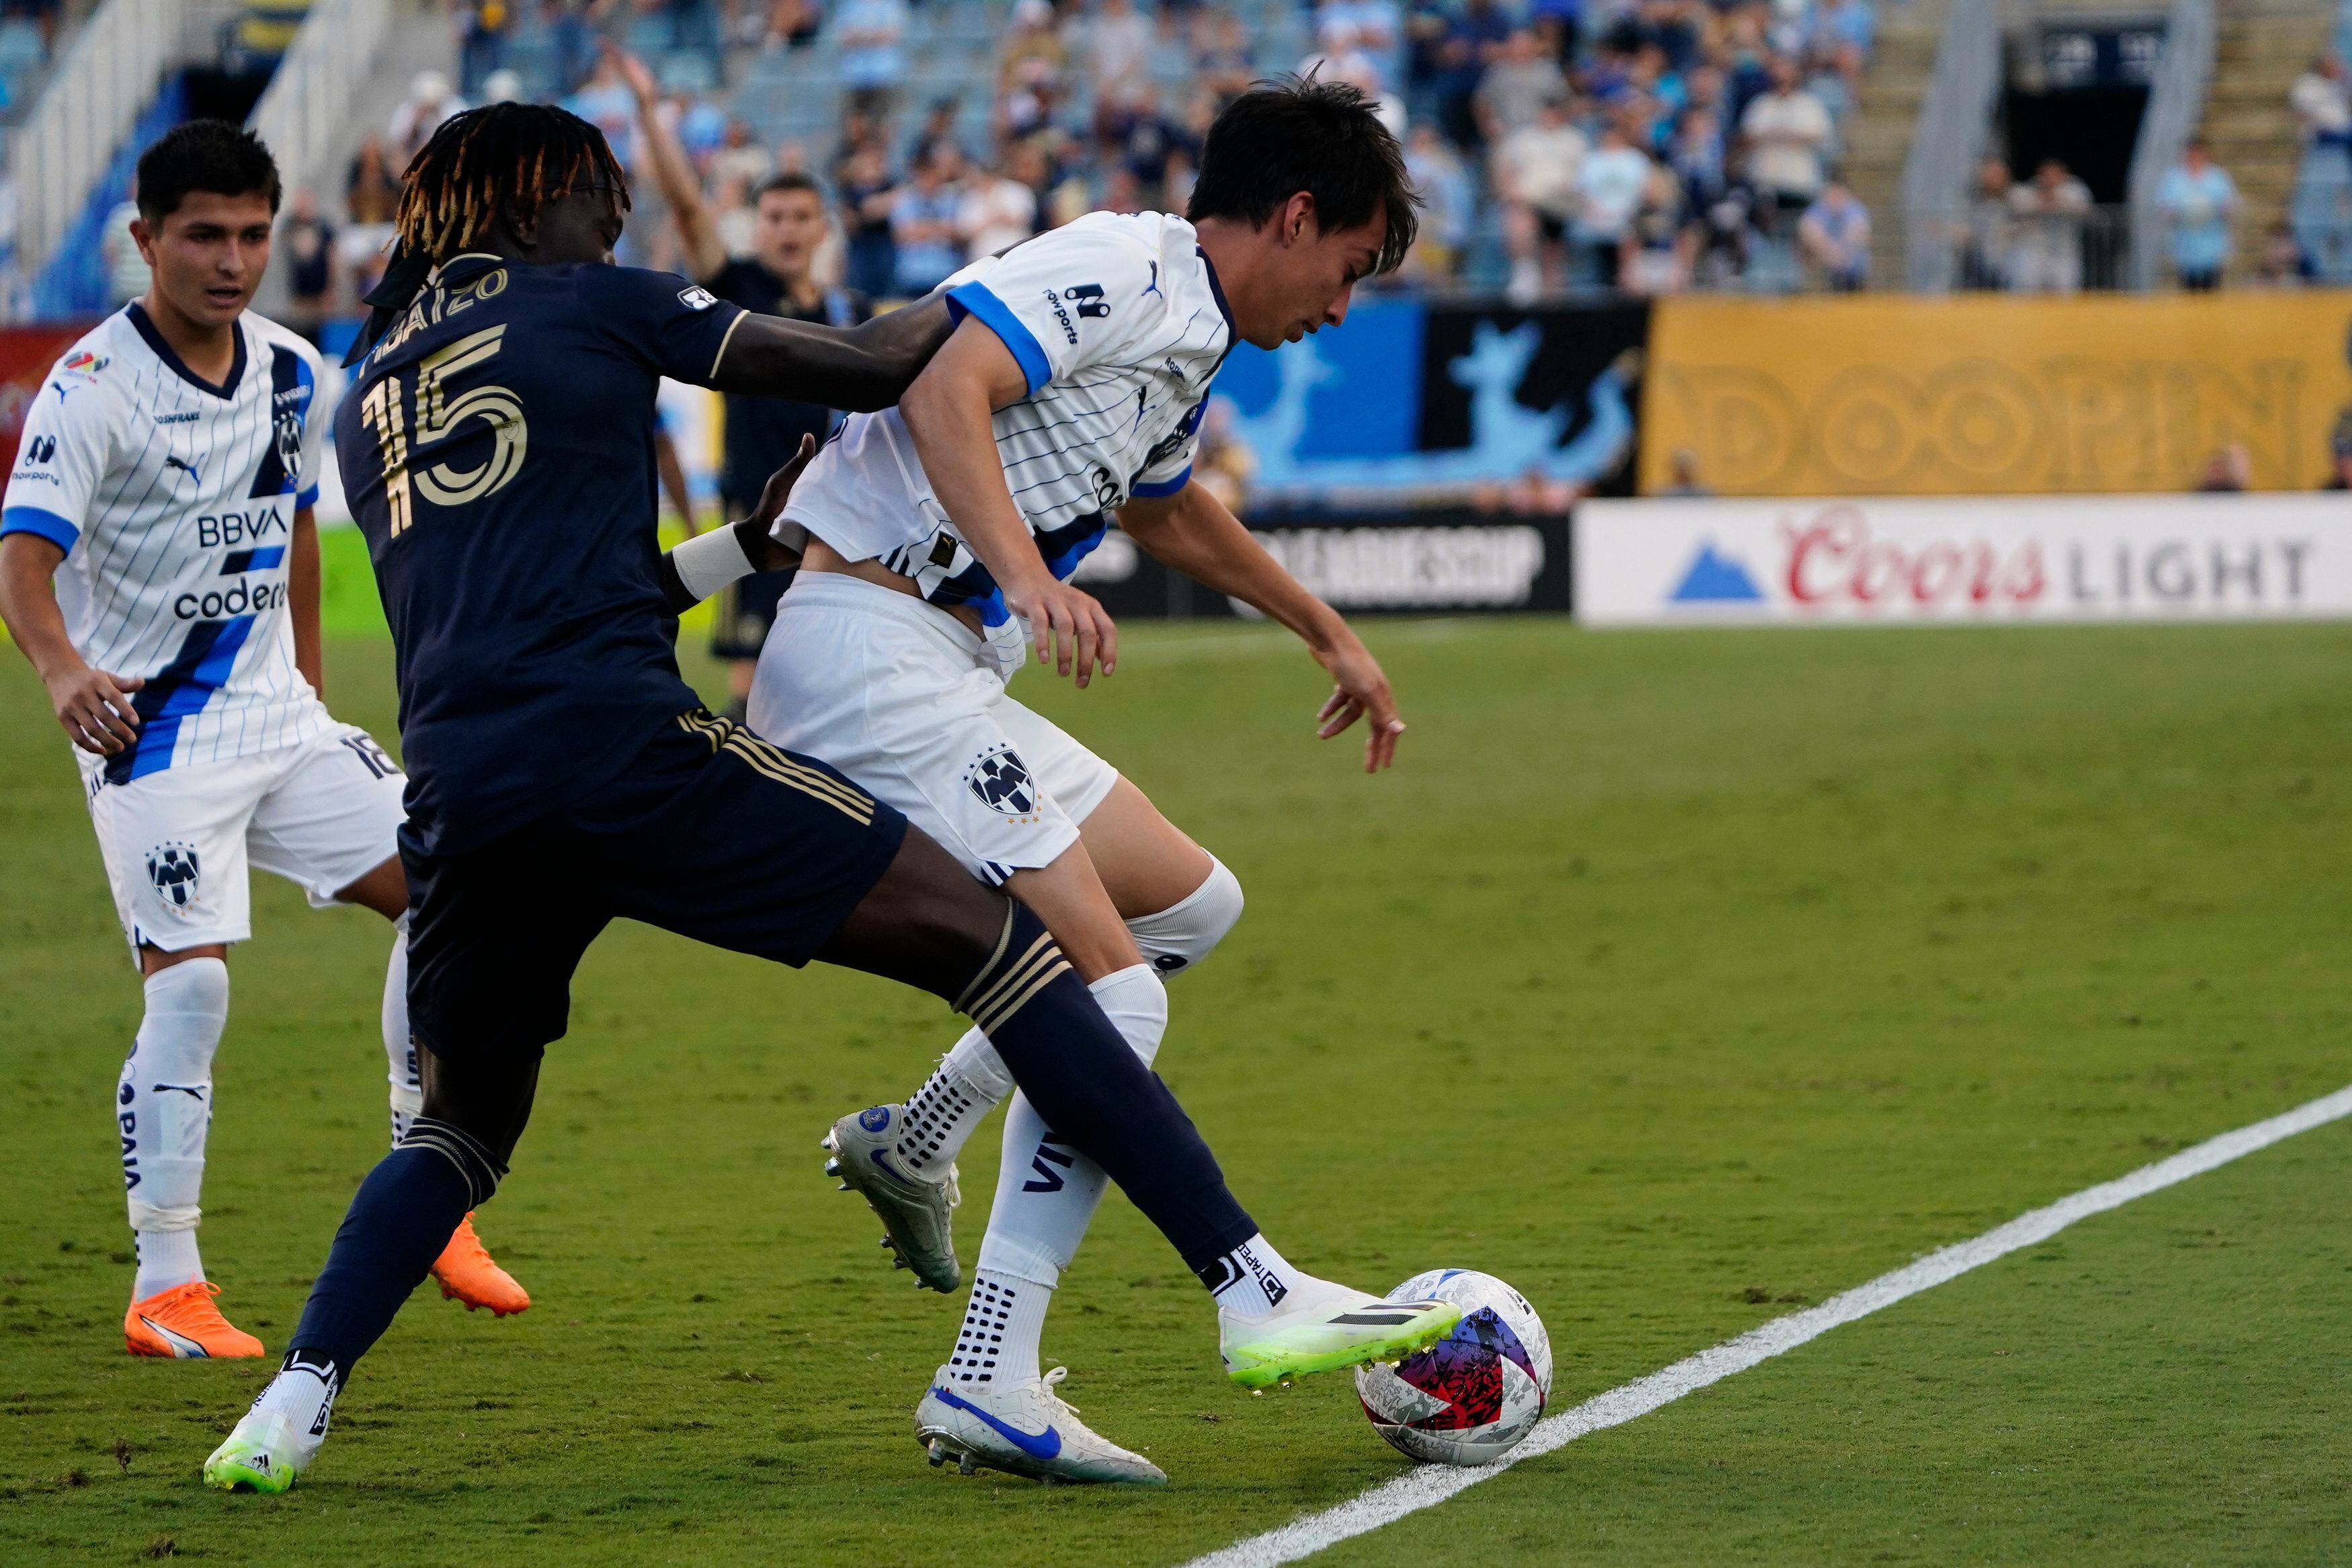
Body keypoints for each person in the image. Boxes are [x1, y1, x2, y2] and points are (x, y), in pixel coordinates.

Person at [198, 100, 1458, 1496]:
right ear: (539, 195)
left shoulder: (378, 381)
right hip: (679, 731)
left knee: (463, 1127)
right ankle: (1208, 1290)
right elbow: (888, 368)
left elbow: (601, 584)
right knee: (1050, 972)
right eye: (599, 199)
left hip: (470, 789)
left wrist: (758, 534)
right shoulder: (612, 302)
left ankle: (294, 1398)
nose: (617, 224)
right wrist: (1003, 322)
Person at [731, 75, 1422, 1487]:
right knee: (1115, 989)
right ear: (1294, 217)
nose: (1343, 304)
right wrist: (1031, 574)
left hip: (929, 658)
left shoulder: (1190, 333)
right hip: (869, 644)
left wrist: (1325, 628)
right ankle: (994, 1363)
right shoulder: (1118, 262)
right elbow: (942, 381)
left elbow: (1165, 503)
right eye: (1348, 267)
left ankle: (916, 1135)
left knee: (1192, 905)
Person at [0, 122, 527, 1367]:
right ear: (145, 241)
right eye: (203, 236)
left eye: (251, 234)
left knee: (456, 889)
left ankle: (428, 1182)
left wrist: (308, 682)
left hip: (276, 720)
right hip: (154, 740)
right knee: (191, 984)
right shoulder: (88, 388)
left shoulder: (293, 369)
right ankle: (165, 1279)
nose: (231, 260)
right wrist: (65, 671)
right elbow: (25, 562)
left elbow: (292, 527)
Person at [621, 46, 870, 716]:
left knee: (837, 678)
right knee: (754, 685)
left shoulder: (847, 312)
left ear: (822, 228)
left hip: (839, 521)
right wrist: (649, 113)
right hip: (757, 518)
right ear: (756, 228)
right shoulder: (739, 291)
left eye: (800, 217)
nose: (787, 229)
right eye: (775, 218)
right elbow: (684, 205)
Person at [2155, 138, 2237, 292]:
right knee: (2189, 290)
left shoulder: (2217, 178)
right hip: (2185, 245)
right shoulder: (2174, 179)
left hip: (2212, 244)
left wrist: (2212, 210)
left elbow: (2229, 206)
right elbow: (2164, 208)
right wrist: (2184, 212)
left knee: (2211, 289)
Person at [1797, 174, 1869, 291]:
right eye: (1832, 194)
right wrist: (1831, 252)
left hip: (1852, 270)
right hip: (1825, 265)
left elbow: (1858, 232)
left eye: (1838, 194)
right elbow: (1808, 228)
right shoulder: (1819, 209)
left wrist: (1843, 252)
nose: (1835, 198)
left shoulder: (1855, 209)